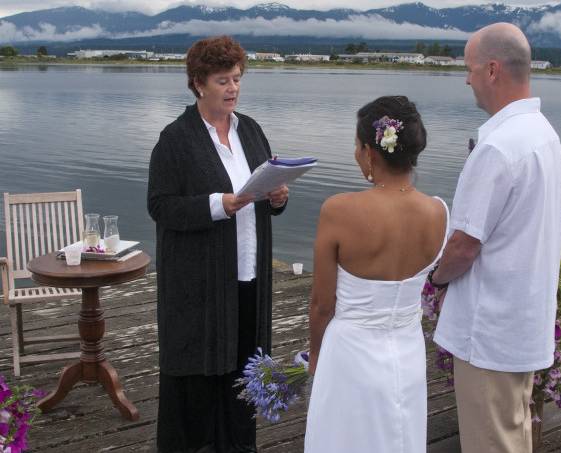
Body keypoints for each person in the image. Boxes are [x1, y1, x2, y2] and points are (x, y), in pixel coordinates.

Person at [430, 23, 561, 452]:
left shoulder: (498, 148)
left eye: (469, 69)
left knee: (491, 443)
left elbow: (464, 245)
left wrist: (434, 279)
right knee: (514, 435)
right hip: (524, 325)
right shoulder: (544, 135)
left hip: (490, 331)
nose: (466, 79)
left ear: (492, 70)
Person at [147, 36, 288, 453]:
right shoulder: (175, 139)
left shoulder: (251, 130)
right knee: (199, 374)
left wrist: (279, 198)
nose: (233, 88)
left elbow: (266, 185)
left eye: (237, 79)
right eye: (223, 80)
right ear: (198, 84)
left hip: (249, 275)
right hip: (199, 286)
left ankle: (238, 446)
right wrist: (217, 205)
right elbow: (160, 206)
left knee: (244, 371)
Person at [304, 96, 448, 453]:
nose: (356, 154)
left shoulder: (339, 211)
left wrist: (316, 356)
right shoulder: (438, 212)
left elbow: (322, 304)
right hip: (407, 350)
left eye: (356, 145)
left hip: (350, 354)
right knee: (398, 436)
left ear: (371, 152)